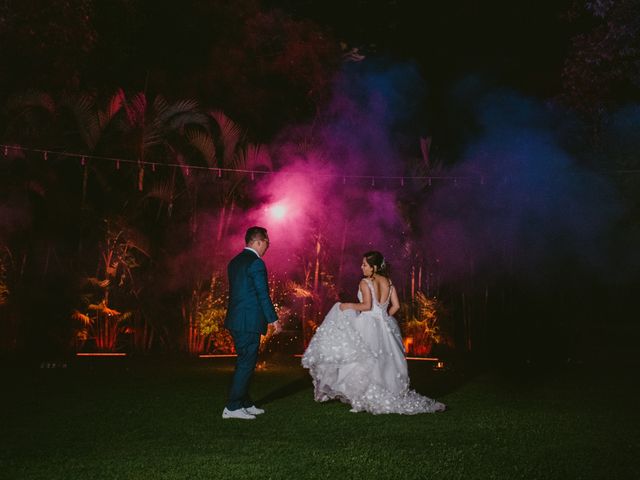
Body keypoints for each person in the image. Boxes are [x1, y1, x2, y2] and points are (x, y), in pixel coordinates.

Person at [302, 251, 446, 414]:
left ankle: (364, 397)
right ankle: (387, 392)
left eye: (365, 265)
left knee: (364, 360)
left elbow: (366, 306)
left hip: (367, 323)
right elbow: (396, 306)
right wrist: (384, 318)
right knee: (384, 360)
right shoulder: (389, 283)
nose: (361, 267)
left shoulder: (365, 282)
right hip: (385, 325)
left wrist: (347, 305)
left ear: (374, 267)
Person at [222, 226, 278, 420]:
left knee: (244, 361)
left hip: (236, 320)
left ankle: (245, 402)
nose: (268, 247)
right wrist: (273, 319)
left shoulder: (235, 262)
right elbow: (262, 294)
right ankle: (233, 406)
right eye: (267, 243)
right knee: (246, 363)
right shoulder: (256, 263)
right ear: (258, 242)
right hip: (248, 321)